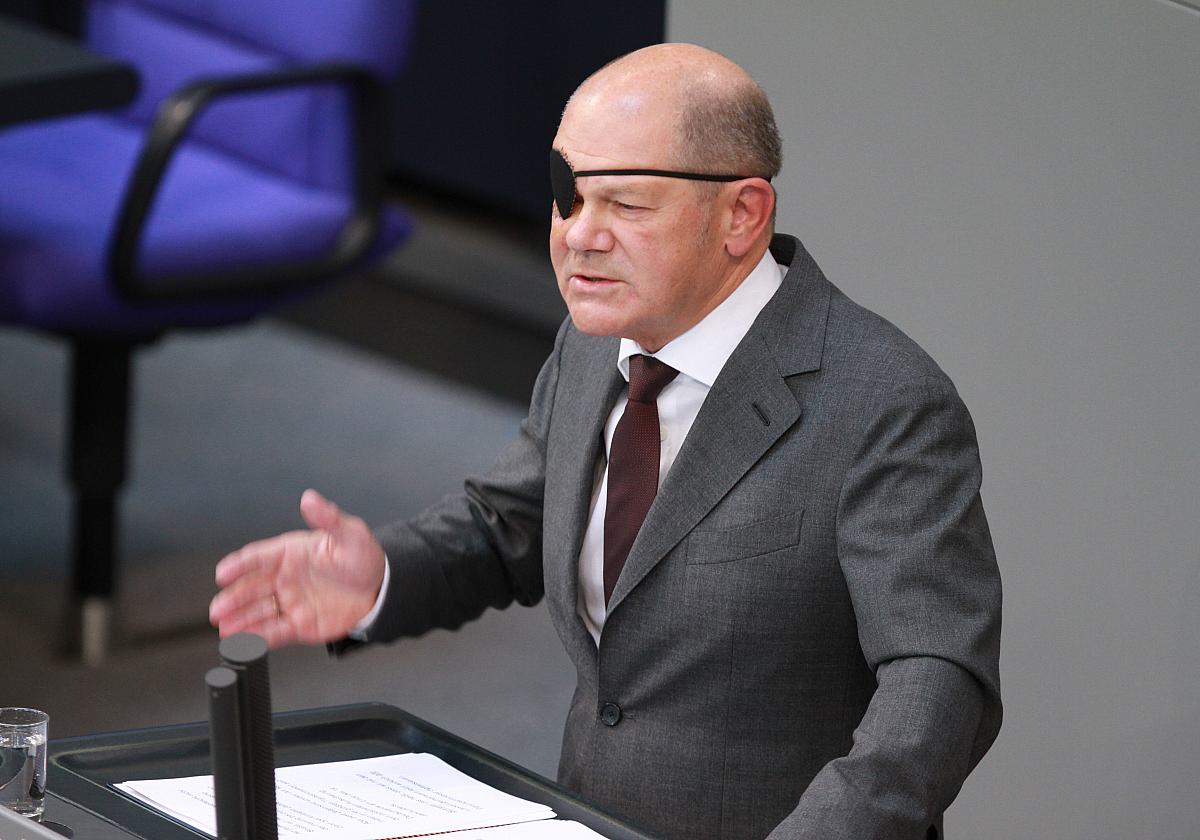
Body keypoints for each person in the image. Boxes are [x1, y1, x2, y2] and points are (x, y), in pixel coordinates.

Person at [209, 43, 1001, 840]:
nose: (579, 236)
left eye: (625, 205)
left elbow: (938, 682)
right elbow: (513, 523)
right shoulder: (596, 341)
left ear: (742, 215)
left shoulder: (886, 402)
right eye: (569, 197)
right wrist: (382, 577)